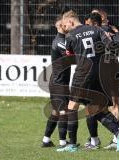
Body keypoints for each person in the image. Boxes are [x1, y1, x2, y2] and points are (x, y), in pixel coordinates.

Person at [57, 10, 119, 152]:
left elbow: (70, 58)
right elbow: (113, 47)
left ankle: (71, 145)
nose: (65, 29)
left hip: (83, 73)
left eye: (65, 25)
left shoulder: (70, 36)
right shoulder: (97, 29)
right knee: (95, 109)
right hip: (100, 73)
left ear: (71, 22)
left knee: (72, 107)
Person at [41, 15, 71, 148]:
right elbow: (71, 56)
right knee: (64, 111)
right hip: (59, 83)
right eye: (65, 24)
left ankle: (46, 140)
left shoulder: (62, 40)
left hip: (57, 81)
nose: (68, 25)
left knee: (56, 111)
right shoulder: (60, 41)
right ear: (60, 26)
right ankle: (63, 143)